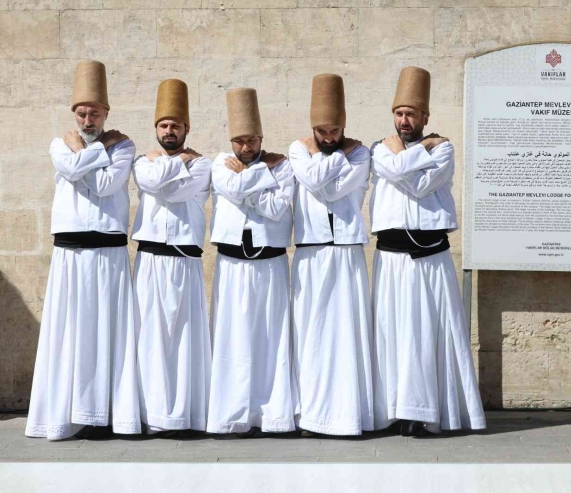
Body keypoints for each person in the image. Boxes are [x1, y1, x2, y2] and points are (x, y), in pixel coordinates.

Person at [26, 60, 140, 441]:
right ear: (74, 114)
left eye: (93, 113)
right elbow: (70, 168)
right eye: (81, 113)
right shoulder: (60, 142)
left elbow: (107, 186)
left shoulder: (124, 144)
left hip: (108, 253)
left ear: (106, 113)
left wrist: (85, 159)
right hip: (70, 254)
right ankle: (64, 414)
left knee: (108, 332)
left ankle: (106, 414)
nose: (87, 119)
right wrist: (89, 156)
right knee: (69, 332)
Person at [370, 66, 486, 436]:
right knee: (393, 331)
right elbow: (392, 169)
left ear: (424, 117)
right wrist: (421, 149)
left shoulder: (446, 148)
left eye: (411, 115)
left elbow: (420, 186)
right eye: (399, 114)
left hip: (429, 257)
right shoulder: (379, 148)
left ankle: (424, 411)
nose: (404, 121)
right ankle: (392, 409)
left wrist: (405, 157)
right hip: (390, 258)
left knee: (425, 332)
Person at [206, 87, 297, 435]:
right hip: (232, 264)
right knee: (233, 338)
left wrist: (248, 183)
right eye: (240, 141)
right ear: (232, 141)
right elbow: (231, 188)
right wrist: (262, 177)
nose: (246, 148)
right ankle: (231, 414)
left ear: (261, 138)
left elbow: (277, 209)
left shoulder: (283, 166)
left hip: (270, 263)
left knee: (270, 338)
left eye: (253, 140)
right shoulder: (219, 163)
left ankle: (271, 414)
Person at [288, 74, 374, 436]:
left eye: (335, 130)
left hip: (347, 252)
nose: (328, 137)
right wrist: (340, 156)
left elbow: (337, 189)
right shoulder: (298, 149)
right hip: (310, 253)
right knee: (312, 333)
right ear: (312, 128)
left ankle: (348, 414)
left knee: (346, 333)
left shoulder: (363, 152)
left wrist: (327, 161)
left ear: (344, 126)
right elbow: (311, 182)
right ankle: (311, 415)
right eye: (321, 131)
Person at [131, 79, 212, 436]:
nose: (168, 131)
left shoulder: (204, 164)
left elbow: (178, 191)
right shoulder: (141, 161)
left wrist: (168, 168)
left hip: (184, 260)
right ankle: (151, 414)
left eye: (175, 126)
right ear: (156, 129)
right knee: (149, 337)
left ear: (186, 129)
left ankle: (184, 415)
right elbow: (152, 185)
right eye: (163, 126)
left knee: (183, 337)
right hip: (149, 259)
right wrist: (178, 163)